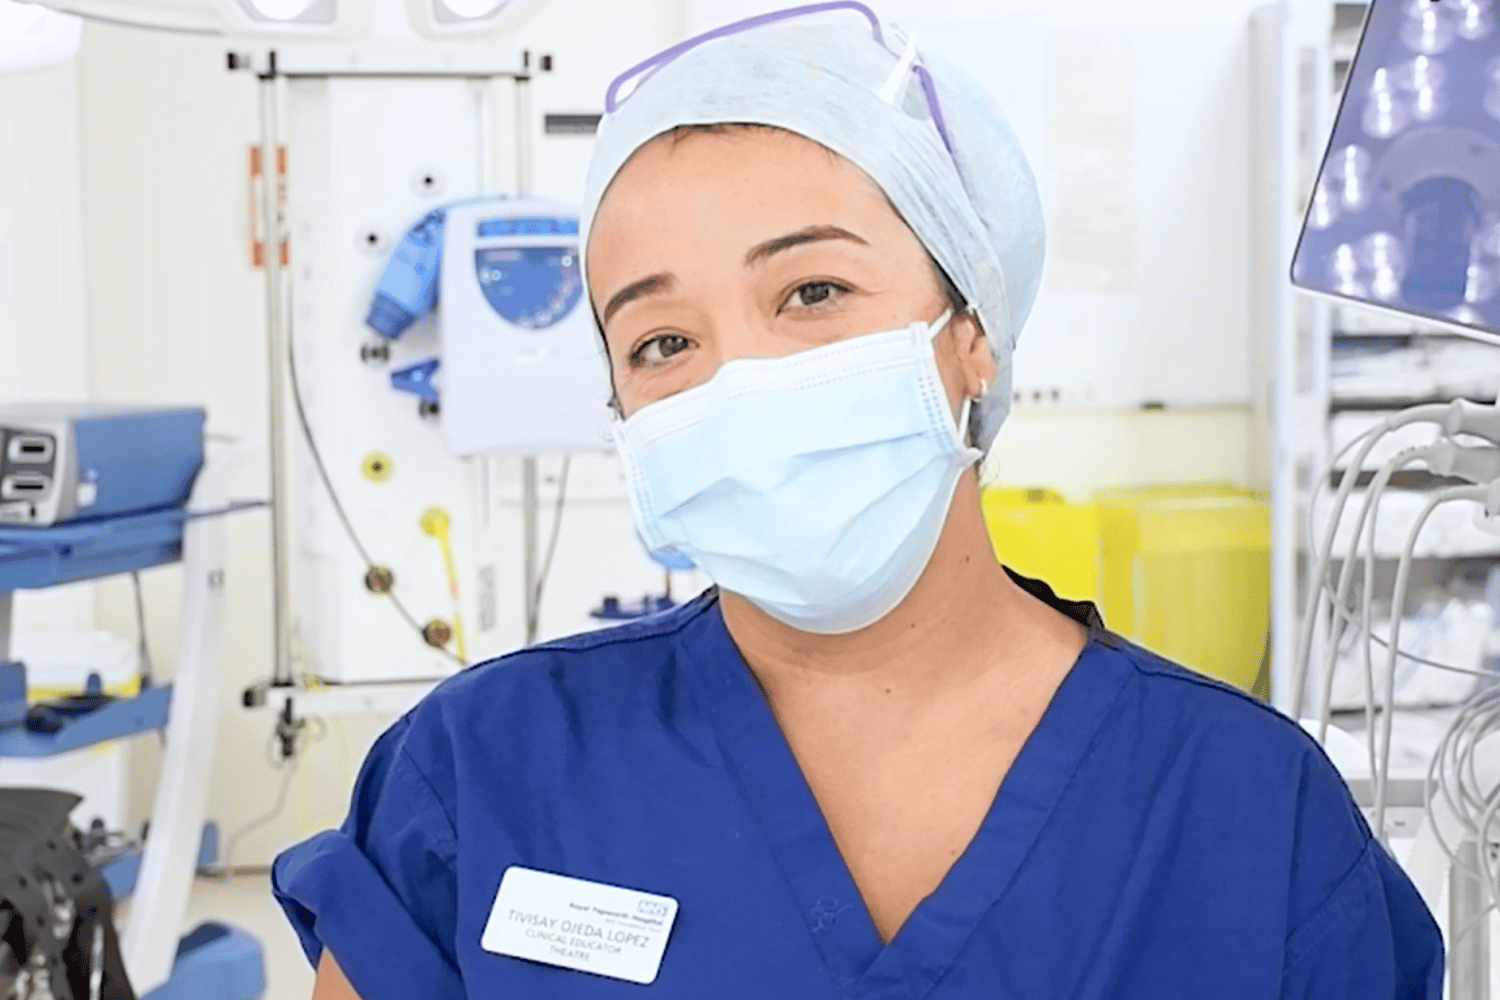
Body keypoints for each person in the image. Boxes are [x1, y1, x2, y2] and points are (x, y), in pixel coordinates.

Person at [273, 4, 1445, 997]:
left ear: (971, 334)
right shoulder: (487, 772)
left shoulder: (1249, 817)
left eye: (812, 290)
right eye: (664, 338)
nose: (739, 380)